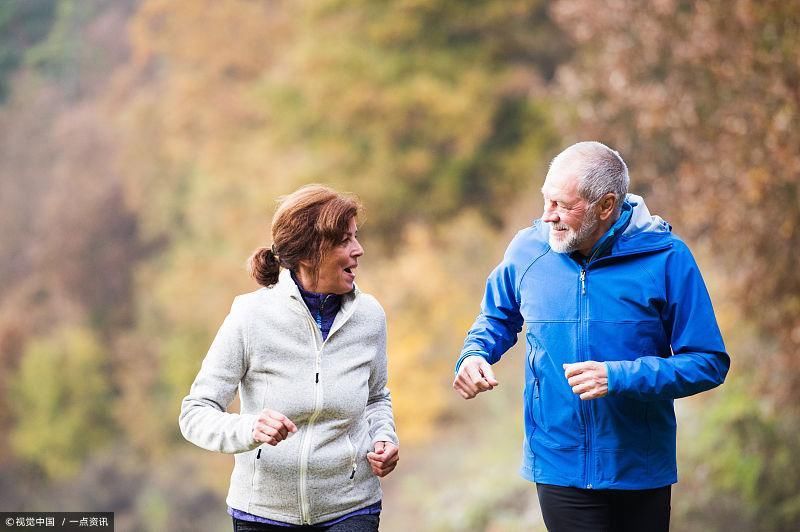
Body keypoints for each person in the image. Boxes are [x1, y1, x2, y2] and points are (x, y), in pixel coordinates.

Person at [452, 141, 729, 531]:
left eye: (562, 206)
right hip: (558, 462)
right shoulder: (527, 250)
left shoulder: (668, 258)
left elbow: (708, 361)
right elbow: (496, 318)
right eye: (546, 202)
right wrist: (474, 354)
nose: (548, 217)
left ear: (606, 206)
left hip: (640, 466)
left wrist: (618, 377)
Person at [180, 184, 399, 532]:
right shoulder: (250, 316)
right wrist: (250, 428)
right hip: (263, 513)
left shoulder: (369, 317)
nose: (359, 250)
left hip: (351, 507)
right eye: (344, 241)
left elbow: (376, 398)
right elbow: (195, 413)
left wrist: (384, 438)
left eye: (355, 237)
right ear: (308, 253)